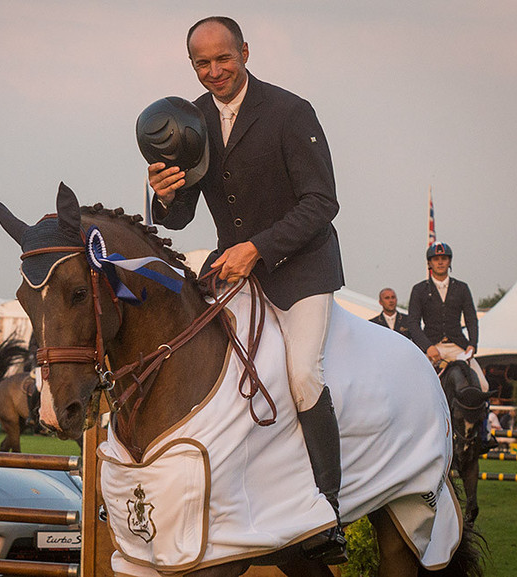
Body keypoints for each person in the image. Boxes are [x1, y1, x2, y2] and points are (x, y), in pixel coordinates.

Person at [143, 16, 346, 563]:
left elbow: (322, 202)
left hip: (301, 268)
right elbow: (181, 214)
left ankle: (329, 515)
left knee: (302, 375)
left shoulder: (289, 110)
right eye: (201, 64)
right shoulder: (192, 119)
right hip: (234, 269)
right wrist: (163, 195)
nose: (214, 72)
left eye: (223, 59)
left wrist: (257, 247)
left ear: (245, 52)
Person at [408, 242, 488, 391]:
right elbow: (413, 323)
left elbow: (471, 319)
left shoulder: (461, 288)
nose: (440, 262)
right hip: (431, 346)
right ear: (429, 263)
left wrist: (472, 345)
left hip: (457, 346)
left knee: (483, 386)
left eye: (444, 258)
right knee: (414, 387)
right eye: (436, 259)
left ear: (449, 261)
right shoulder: (419, 290)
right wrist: (427, 347)